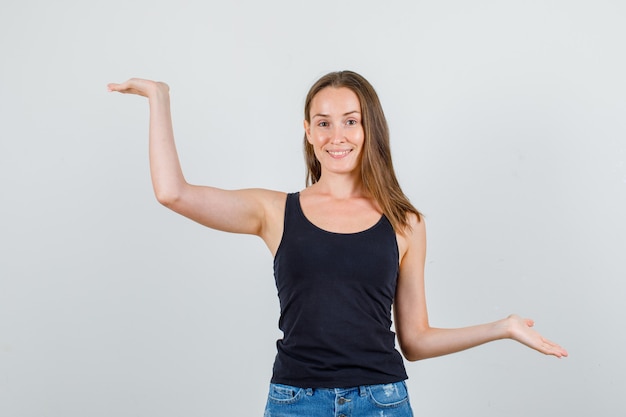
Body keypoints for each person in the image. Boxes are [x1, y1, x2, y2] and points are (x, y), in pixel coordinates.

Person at [108, 71, 567, 416]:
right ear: (307, 132)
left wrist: (502, 327)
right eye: (323, 123)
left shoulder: (405, 222)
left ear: (370, 130)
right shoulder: (273, 211)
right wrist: (158, 98)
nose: (337, 136)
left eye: (350, 121)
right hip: (294, 402)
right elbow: (173, 193)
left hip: (382, 402)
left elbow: (416, 340)